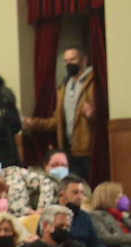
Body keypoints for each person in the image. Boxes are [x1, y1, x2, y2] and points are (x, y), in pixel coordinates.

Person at [21, 47, 96, 179]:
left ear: (84, 60)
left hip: (87, 149)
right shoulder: (64, 85)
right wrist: (33, 123)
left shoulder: (93, 82)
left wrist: (92, 114)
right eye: (66, 61)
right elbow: (57, 121)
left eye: (72, 59)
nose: (68, 64)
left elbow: (101, 114)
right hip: (67, 149)